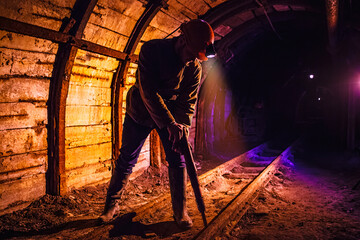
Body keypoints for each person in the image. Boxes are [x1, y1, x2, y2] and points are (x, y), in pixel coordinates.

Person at [99, 19, 215, 229]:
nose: (191, 60)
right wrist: (170, 123)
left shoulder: (194, 68)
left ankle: (181, 212)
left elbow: (188, 103)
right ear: (182, 42)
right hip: (141, 111)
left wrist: (182, 129)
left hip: (171, 117)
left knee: (178, 159)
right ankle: (111, 207)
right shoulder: (151, 50)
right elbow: (148, 93)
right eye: (191, 54)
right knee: (127, 158)